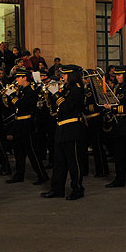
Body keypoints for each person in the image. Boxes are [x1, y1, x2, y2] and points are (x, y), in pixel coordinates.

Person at [41, 65, 86, 200]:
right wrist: (50, 94)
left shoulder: (77, 89)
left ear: (72, 75)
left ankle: (77, 189)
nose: (62, 77)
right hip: (61, 127)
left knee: (73, 161)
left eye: (65, 75)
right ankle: (57, 189)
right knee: (59, 162)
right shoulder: (66, 88)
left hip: (72, 127)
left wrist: (56, 94)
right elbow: (57, 108)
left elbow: (66, 107)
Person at [4, 68, 49, 185]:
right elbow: (14, 107)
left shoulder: (31, 90)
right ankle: (19, 174)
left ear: (25, 78)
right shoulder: (22, 90)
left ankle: (42, 175)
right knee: (18, 151)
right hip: (18, 123)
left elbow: (22, 105)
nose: (17, 80)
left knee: (32, 151)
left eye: (18, 77)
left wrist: (12, 95)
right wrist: (9, 97)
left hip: (27, 123)